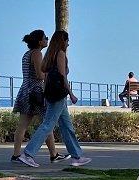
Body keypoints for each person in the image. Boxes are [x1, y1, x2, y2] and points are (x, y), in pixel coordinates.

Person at [16, 30, 91, 168]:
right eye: (67, 41)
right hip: (58, 95)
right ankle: (28, 154)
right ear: (63, 41)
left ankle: (76, 156)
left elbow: (47, 75)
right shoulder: (60, 54)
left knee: (67, 126)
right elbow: (63, 77)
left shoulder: (49, 54)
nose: (68, 43)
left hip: (51, 94)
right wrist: (71, 94)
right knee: (47, 125)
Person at [11, 30, 69, 163]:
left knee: (24, 125)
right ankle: (53, 154)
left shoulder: (27, 54)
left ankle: (16, 154)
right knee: (47, 123)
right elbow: (39, 74)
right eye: (45, 38)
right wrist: (50, 75)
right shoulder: (37, 53)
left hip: (25, 91)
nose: (47, 40)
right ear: (39, 41)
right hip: (35, 92)